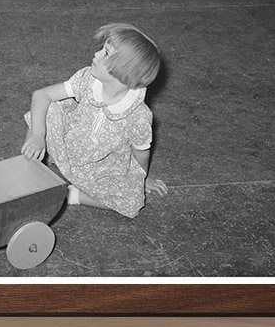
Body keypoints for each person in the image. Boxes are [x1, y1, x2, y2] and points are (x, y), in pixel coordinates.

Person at [22, 23, 167, 218]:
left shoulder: (139, 116)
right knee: (48, 110)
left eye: (105, 53)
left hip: (99, 169)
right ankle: (29, 164)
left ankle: (71, 195)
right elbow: (41, 95)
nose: (97, 54)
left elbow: (141, 153)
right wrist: (38, 136)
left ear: (124, 72)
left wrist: (140, 179)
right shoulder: (86, 79)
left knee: (133, 201)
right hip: (66, 145)